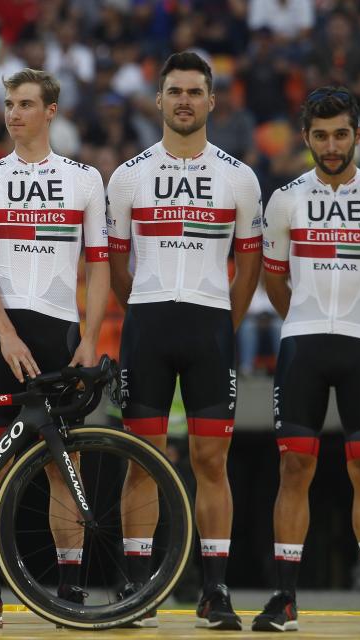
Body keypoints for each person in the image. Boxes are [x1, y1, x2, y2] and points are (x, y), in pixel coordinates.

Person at [107, 51, 263, 630]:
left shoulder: (238, 176)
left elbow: (249, 265)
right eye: (175, 91)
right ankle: (136, 585)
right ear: (159, 100)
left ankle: (215, 590)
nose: (184, 101)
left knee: (210, 461)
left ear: (212, 100)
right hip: (146, 326)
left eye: (195, 92)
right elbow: (117, 260)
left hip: (209, 328)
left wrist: (227, 320)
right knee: (141, 463)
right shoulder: (128, 175)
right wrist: (141, 306)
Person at [253, 87, 360, 633]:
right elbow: (274, 279)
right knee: (294, 467)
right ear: (306, 138)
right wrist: (304, 317)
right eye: (320, 135)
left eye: (340, 133)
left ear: (357, 134)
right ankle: (285, 599)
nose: (331, 145)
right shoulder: (284, 199)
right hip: (303, 344)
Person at [0, 67, 110, 629]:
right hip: (3, 333)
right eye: (9, 103)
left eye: (26, 103)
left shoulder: (84, 180)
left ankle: (68, 585)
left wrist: (91, 338)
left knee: (62, 465)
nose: (14, 113)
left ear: (51, 111)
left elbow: (99, 267)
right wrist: (3, 333)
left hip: (60, 332)